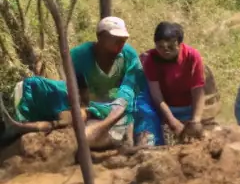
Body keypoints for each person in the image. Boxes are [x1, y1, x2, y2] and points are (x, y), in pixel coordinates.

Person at [8, 16, 148, 148]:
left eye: (123, 39)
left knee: (123, 110)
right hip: (85, 99)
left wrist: (101, 119)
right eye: (115, 38)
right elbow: (76, 87)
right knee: (34, 85)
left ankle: (54, 124)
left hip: (115, 104)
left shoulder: (129, 55)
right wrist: (81, 107)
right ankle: (23, 125)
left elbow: (128, 92)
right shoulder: (80, 55)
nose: (120, 43)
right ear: (100, 37)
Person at [141, 22, 207, 145]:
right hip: (162, 109)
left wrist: (195, 120)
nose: (165, 50)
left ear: (180, 44)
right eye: (160, 47)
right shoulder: (151, 59)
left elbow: (198, 90)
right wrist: (172, 121)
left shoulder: (192, 56)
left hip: (189, 108)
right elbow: (156, 96)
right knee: (150, 142)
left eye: (171, 46)